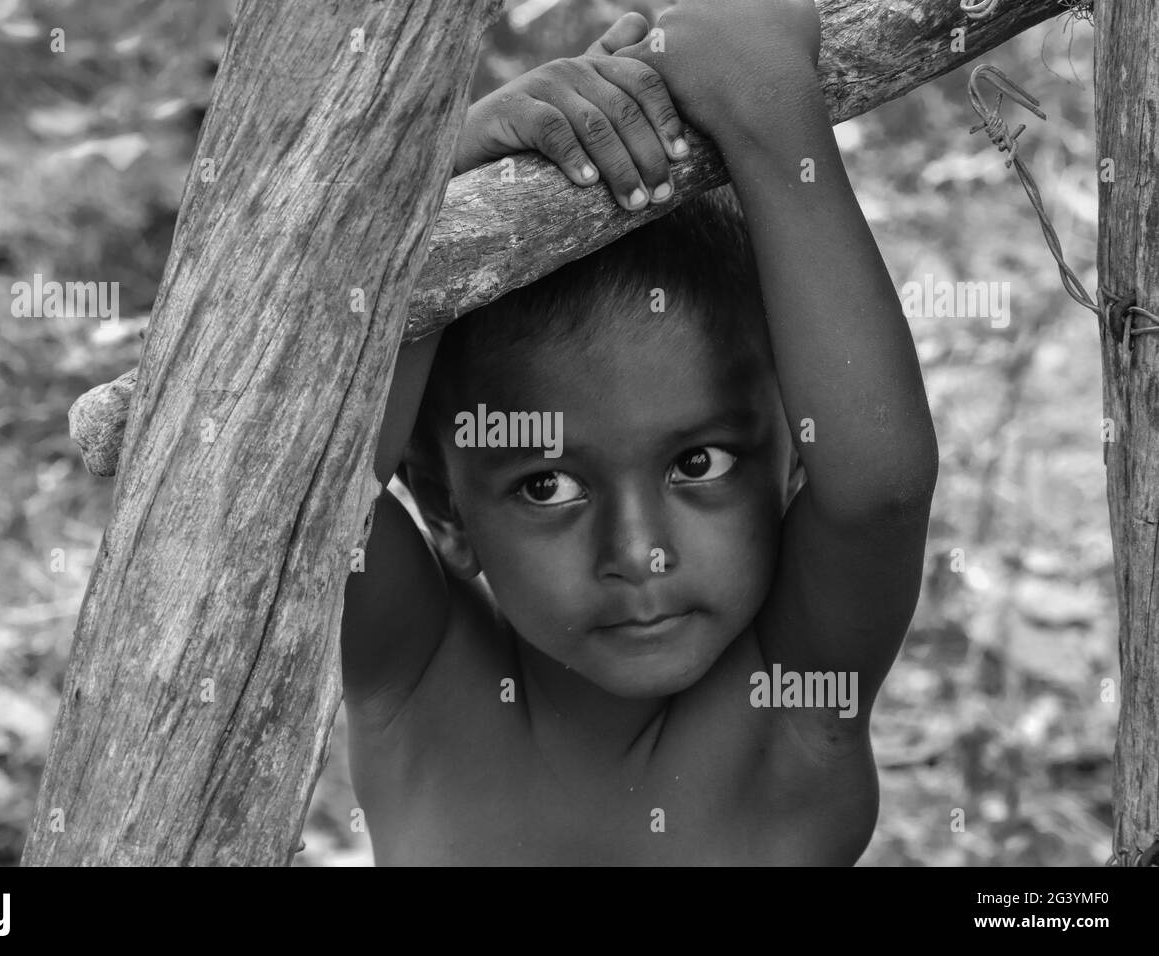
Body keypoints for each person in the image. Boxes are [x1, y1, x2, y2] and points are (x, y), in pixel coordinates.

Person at [341, 0, 938, 865]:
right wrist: (433, 198)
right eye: (548, 485)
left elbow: (879, 492)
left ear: (795, 455)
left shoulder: (794, 705)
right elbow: (301, 504)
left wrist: (767, 108)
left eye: (698, 463)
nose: (639, 552)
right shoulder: (419, 684)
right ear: (446, 507)